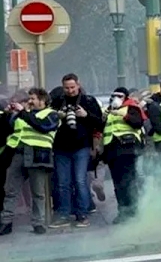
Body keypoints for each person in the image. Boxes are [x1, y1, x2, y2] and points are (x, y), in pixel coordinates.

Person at [0, 88, 60, 235]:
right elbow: (8, 130)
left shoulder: (52, 115)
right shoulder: (23, 115)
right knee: (10, 190)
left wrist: (22, 113)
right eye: (29, 99)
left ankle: (38, 223)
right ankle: (5, 223)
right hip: (19, 154)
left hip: (38, 155)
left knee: (38, 192)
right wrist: (8, 115)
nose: (30, 101)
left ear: (43, 100)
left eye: (33, 98)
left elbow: (42, 126)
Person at [49, 74, 103, 228]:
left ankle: (82, 213)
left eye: (72, 87)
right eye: (66, 88)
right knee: (62, 182)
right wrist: (57, 116)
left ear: (78, 85)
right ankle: (64, 214)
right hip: (61, 147)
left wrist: (86, 116)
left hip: (81, 146)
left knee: (80, 181)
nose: (70, 91)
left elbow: (100, 123)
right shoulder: (58, 101)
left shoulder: (88, 101)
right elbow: (49, 120)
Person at [102, 87, 146, 224]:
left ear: (125, 97)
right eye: (114, 95)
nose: (116, 98)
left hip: (127, 149)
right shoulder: (108, 111)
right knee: (118, 184)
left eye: (120, 96)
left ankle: (133, 211)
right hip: (112, 150)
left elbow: (138, 123)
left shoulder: (131, 107)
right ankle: (123, 211)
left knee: (128, 182)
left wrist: (123, 115)